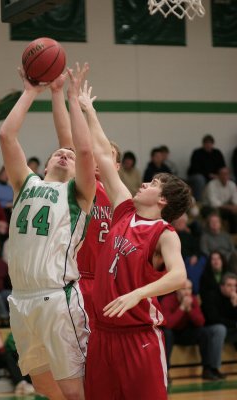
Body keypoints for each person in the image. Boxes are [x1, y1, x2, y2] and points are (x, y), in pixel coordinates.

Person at [78, 81, 192, 400]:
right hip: (102, 334)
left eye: (154, 183)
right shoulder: (124, 210)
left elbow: (179, 276)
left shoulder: (164, 234)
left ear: (164, 201)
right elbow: (102, 153)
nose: (144, 182)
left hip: (137, 337)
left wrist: (137, 294)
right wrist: (89, 110)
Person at [0, 63, 96, 400]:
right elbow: (6, 136)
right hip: (21, 299)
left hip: (57, 297)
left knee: (74, 390)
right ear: (44, 163)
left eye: (70, 154)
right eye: (59, 150)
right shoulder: (26, 183)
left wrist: (71, 98)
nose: (65, 152)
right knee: (43, 387)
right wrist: (30, 92)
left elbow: (82, 149)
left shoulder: (77, 194)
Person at [50, 70, 120, 331]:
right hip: (76, 278)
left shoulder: (123, 198)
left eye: (107, 156)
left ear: (117, 165)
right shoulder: (84, 185)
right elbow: (66, 139)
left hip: (109, 283)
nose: (99, 161)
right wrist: (58, 94)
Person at [161, 279, 226, 381]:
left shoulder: (193, 299)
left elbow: (200, 322)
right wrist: (182, 308)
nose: (187, 292)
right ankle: (166, 371)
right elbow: (168, 324)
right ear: (177, 290)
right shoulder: (168, 300)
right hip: (173, 333)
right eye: (184, 289)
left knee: (204, 332)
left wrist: (190, 310)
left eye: (189, 289)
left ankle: (207, 370)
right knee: (166, 334)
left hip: (188, 332)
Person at [172, 213, 206, 294]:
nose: (180, 224)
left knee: (203, 259)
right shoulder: (172, 234)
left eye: (183, 222)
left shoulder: (189, 235)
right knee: (191, 269)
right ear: (174, 223)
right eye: (178, 222)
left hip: (191, 259)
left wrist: (195, 256)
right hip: (180, 260)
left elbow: (197, 248)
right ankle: (194, 291)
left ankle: (194, 290)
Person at [201, 272, 237, 348]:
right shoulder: (211, 296)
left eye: (235, 286)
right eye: (229, 285)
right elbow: (213, 319)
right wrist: (234, 324)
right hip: (210, 329)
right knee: (220, 329)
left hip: (229, 329)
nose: (233, 288)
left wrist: (236, 306)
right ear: (222, 286)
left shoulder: (234, 298)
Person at [187, 134, 226, 201]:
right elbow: (195, 168)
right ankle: (200, 201)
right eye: (206, 143)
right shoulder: (197, 153)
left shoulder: (217, 153)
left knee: (229, 177)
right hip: (198, 175)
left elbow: (222, 166)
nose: (208, 145)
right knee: (200, 179)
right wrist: (209, 174)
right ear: (203, 144)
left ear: (212, 144)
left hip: (215, 175)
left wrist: (219, 175)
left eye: (210, 143)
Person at [203, 167, 237, 233]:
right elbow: (214, 203)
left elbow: (235, 200)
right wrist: (230, 207)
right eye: (222, 174)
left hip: (225, 208)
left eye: (226, 174)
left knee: (234, 212)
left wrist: (233, 207)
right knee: (215, 212)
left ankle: (234, 235)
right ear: (218, 175)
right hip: (209, 207)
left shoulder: (232, 185)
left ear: (229, 175)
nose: (225, 176)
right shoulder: (211, 185)